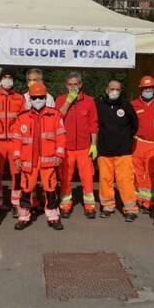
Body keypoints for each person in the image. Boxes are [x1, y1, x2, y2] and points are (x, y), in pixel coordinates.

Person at [11, 82, 66, 231]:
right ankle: (23, 216)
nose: (37, 100)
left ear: (45, 97)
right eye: (34, 98)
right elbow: (16, 140)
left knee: (50, 189)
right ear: (29, 98)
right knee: (26, 189)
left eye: (41, 97)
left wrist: (60, 154)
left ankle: (53, 217)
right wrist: (16, 158)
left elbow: (61, 136)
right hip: (28, 161)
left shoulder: (54, 115)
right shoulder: (22, 117)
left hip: (48, 159)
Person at [55, 71, 98, 218]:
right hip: (66, 148)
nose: (73, 87)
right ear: (66, 86)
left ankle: (90, 206)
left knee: (87, 178)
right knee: (65, 177)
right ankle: (65, 205)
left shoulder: (89, 101)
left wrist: (94, 145)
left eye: (76, 84)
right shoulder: (60, 100)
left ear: (80, 85)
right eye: (70, 85)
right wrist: (68, 101)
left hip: (84, 148)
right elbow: (57, 119)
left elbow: (93, 124)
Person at [96, 80, 139, 221]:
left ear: (121, 91)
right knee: (105, 181)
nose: (114, 91)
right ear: (107, 90)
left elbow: (134, 125)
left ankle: (130, 209)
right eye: (112, 88)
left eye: (117, 89)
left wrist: (126, 139)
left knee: (126, 180)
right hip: (104, 150)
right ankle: (108, 207)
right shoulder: (99, 105)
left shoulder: (126, 105)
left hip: (123, 151)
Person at [0, 67, 25, 216]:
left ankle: (16, 203)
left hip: (15, 142)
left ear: (13, 80)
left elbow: (23, 121)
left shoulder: (20, 98)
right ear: (0, 79)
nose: (7, 80)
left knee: (17, 173)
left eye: (10, 77)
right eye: (5, 77)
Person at [130, 75, 154, 215]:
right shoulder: (133, 105)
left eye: (150, 88)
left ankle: (149, 201)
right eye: (145, 88)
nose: (148, 90)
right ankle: (138, 200)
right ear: (141, 89)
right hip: (138, 143)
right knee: (137, 173)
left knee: (151, 174)